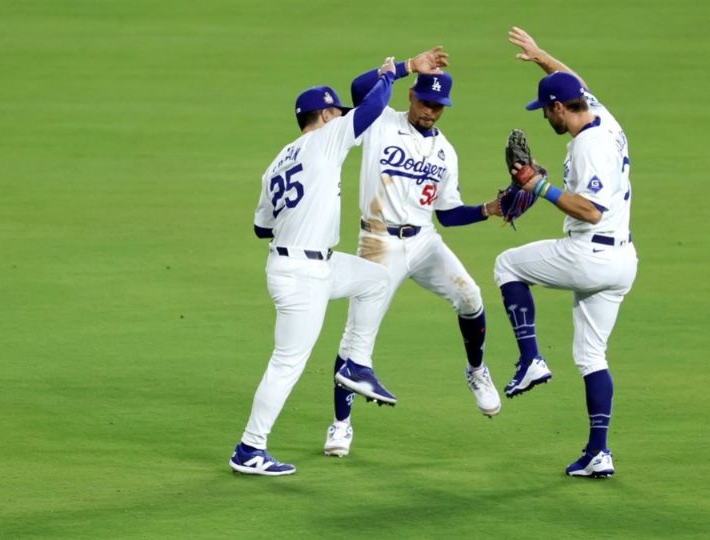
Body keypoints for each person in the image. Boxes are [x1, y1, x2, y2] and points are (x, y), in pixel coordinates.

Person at [229, 52, 443, 476]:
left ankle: (354, 364)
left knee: (374, 280)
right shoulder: (324, 139)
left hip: (312, 264)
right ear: (324, 115)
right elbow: (372, 107)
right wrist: (400, 69)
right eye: (336, 113)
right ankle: (249, 448)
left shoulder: (279, 161)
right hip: (301, 277)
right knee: (287, 363)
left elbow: (260, 228)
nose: (342, 119)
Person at [323, 51, 504, 458]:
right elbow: (356, 87)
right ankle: (340, 424)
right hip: (378, 243)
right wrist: (407, 63)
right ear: (411, 95)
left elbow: (448, 214)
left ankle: (476, 372)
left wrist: (487, 210)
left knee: (471, 296)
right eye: (425, 102)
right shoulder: (380, 120)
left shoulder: (447, 153)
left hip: (424, 241)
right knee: (356, 339)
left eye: (439, 106)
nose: (431, 112)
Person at [496, 27, 638, 478]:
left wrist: (538, 186)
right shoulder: (604, 119)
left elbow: (591, 210)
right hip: (622, 262)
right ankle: (599, 452)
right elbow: (572, 77)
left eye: (546, 111)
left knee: (507, 264)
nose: (545, 119)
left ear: (560, 108)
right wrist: (541, 57)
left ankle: (530, 358)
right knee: (592, 356)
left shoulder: (589, 146)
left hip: (589, 254)